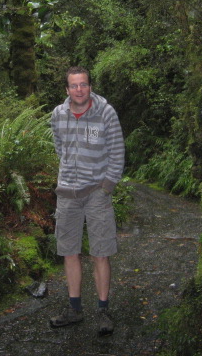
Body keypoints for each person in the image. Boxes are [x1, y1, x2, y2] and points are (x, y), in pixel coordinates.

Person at [49, 66, 125, 336]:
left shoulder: (106, 113)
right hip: (68, 193)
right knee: (69, 251)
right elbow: (60, 148)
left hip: (96, 193)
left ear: (90, 86)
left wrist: (106, 187)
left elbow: (117, 152)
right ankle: (74, 308)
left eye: (83, 84)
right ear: (67, 89)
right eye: (74, 85)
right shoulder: (58, 115)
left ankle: (103, 310)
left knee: (100, 252)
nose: (79, 89)